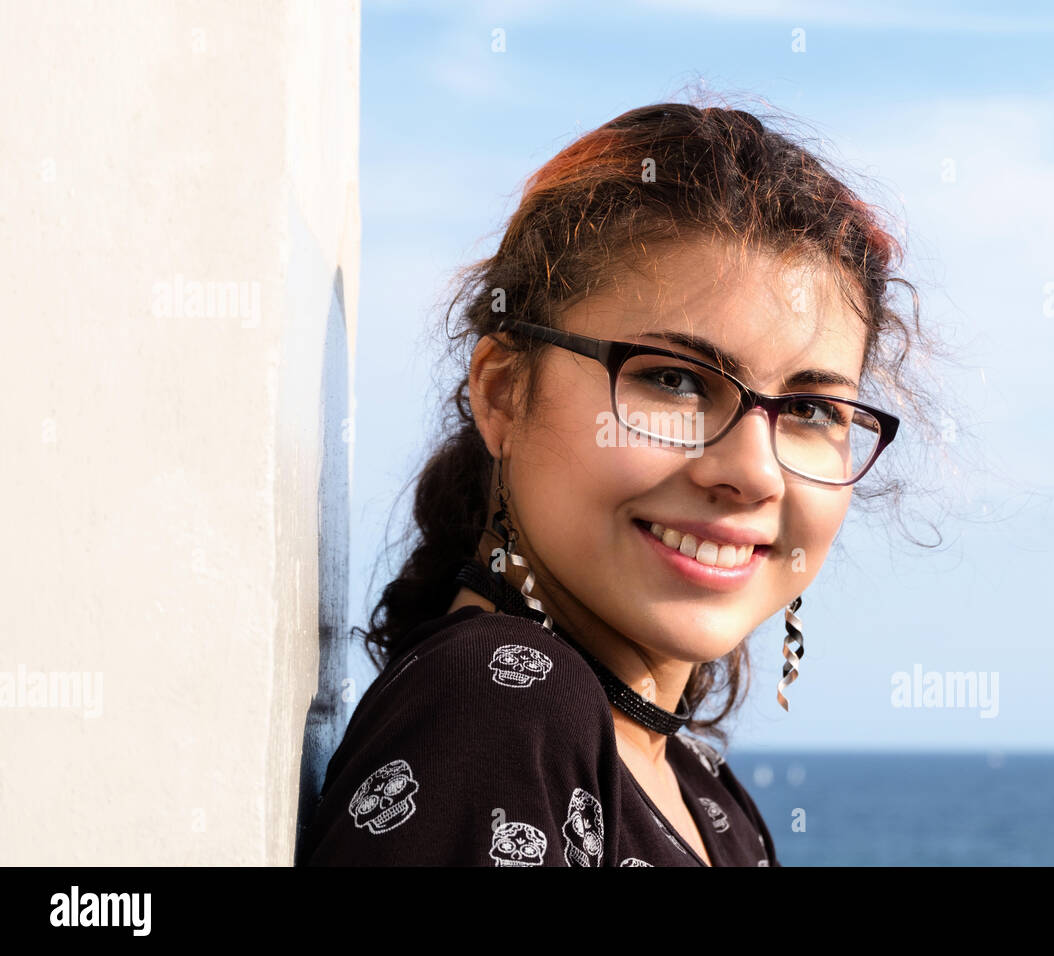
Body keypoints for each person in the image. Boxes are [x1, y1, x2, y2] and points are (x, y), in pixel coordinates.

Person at [299, 100, 930, 866]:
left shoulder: (697, 789)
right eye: (674, 380)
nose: (754, 474)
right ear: (502, 392)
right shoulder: (504, 713)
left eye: (808, 409)